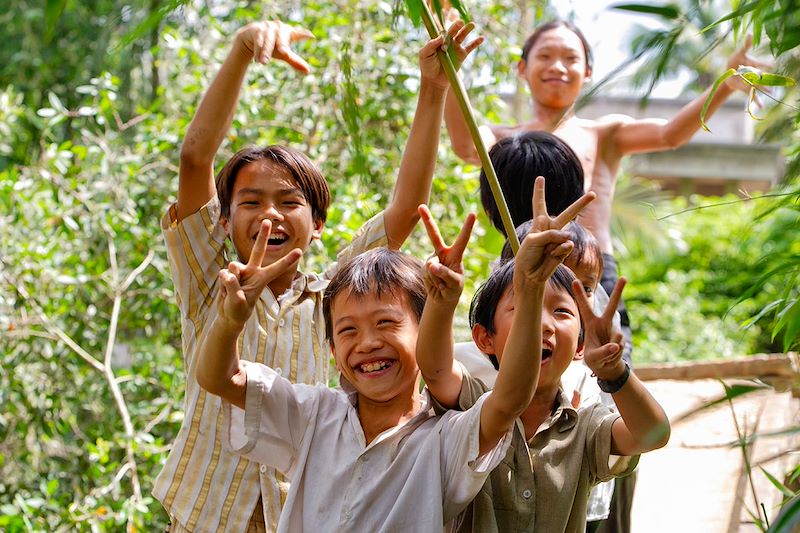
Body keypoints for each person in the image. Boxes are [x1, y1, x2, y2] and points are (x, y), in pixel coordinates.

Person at [153, 18, 483, 532]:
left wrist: (433, 88)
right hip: (205, 512)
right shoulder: (211, 280)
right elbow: (195, 157)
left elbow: (406, 208)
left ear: (318, 223)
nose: (270, 216)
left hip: (295, 510)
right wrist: (243, 50)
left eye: (290, 202)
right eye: (250, 202)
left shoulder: (336, 295)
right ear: (222, 217)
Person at [192, 208, 564, 530]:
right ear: (334, 352)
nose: (367, 342)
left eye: (386, 323)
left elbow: (510, 399)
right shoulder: (313, 414)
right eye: (348, 330)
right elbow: (219, 378)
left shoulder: (445, 439)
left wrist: (529, 288)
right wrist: (228, 321)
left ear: (424, 335)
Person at [418, 177, 670, 532]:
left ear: (580, 346)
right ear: (484, 338)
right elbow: (434, 368)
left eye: (563, 312)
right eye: (524, 306)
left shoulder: (587, 425)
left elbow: (653, 433)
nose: (543, 325)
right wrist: (441, 304)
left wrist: (615, 372)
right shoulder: (472, 402)